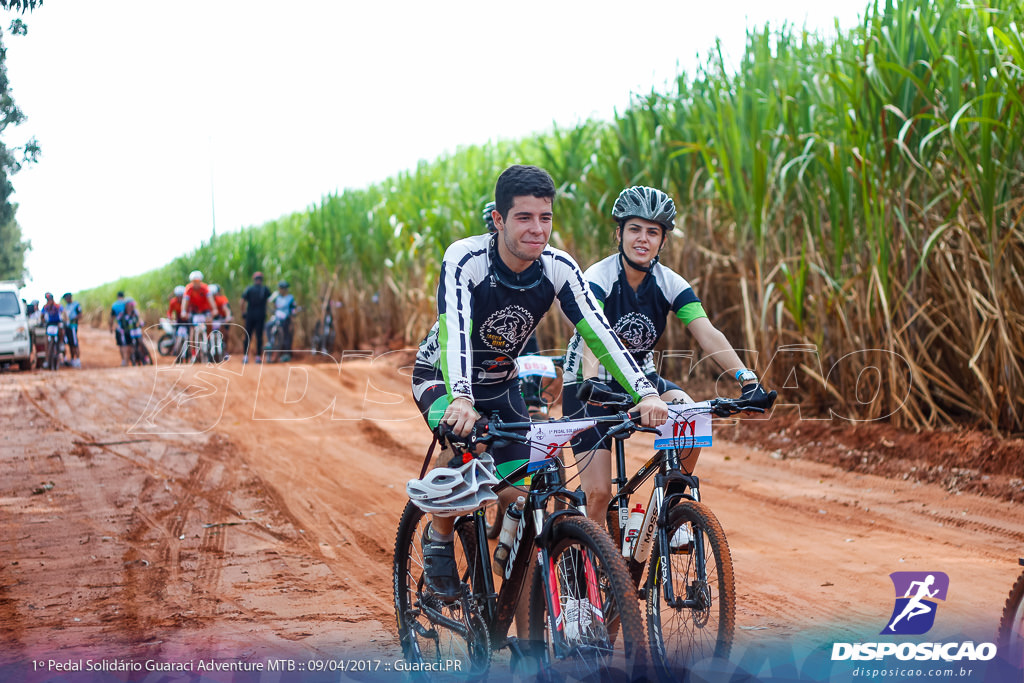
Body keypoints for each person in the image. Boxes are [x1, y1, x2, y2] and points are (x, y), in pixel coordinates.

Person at [407, 165, 669, 613]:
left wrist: (645, 391)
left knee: (523, 492)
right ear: (498, 220)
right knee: (464, 448)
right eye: (524, 217)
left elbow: (600, 333)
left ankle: (520, 598)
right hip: (444, 376)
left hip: (503, 384)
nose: (537, 229)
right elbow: (454, 332)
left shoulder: (557, 266)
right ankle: (439, 534)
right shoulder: (465, 259)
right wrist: (463, 399)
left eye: (545, 218)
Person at [561, 185, 777, 527]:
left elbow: (707, 333)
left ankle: (670, 509)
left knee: (691, 421)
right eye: (634, 229)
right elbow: (592, 337)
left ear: (663, 241)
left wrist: (746, 379)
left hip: (643, 379)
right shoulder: (597, 278)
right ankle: (595, 567)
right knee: (599, 494)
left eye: (653, 232)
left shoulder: (670, 282)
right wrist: (590, 383)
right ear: (619, 234)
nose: (642, 239)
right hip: (589, 384)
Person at [240, 271, 271, 364]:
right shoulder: (265, 289)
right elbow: (271, 300)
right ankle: (258, 357)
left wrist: (243, 312)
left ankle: (245, 356)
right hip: (260, 316)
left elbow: (242, 301)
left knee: (248, 336)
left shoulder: (249, 289)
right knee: (259, 336)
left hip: (250, 316)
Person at [268, 280, 297, 362]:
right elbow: (270, 302)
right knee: (268, 326)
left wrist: (292, 321)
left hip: (286, 319)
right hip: (277, 318)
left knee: (287, 335)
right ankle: (270, 343)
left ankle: (286, 354)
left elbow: (293, 310)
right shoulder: (276, 296)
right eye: (280, 288)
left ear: (286, 289)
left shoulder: (290, 298)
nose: (281, 290)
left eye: (282, 288)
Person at [115, 298, 145, 366]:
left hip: (135, 331)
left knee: (140, 342)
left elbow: (140, 319)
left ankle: (144, 356)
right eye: (130, 305)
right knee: (128, 347)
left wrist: (141, 323)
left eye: (132, 305)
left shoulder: (135, 312)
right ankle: (126, 361)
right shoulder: (122, 314)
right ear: (126, 305)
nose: (131, 307)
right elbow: (116, 322)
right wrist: (119, 328)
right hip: (126, 332)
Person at [40, 293, 64, 369]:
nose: (48, 301)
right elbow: (42, 316)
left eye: (49, 299)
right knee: (46, 341)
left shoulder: (57, 306)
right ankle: (47, 359)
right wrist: (43, 321)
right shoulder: (45, 307)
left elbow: (63, 313)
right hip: (49, 325)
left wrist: (64, 320)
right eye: (47, 300)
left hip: (57, 323)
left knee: (61, 332)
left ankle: (61, 344)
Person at [210, 284, 232, 359]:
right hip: (211, 319)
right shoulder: (205, 301)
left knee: (225, 332)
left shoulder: (221, 299)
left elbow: (226, 309)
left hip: (221, 318)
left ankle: (225, 350)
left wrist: (228, 316)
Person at [168, 285, 188, 360]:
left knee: (189, 334)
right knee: (177, 335)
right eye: (178, 296)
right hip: (179, 320)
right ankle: (176, 350)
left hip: (187, 320)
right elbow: (169, 312)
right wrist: (170, 318)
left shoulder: (186, 301)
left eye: (181, 296)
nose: (180, 298)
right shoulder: (173, 302)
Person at [62, 292, 82, 368]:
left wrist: (72, 319)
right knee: (70, 344)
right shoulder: (66, 307)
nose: (66, 299)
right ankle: (73, 359)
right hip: (67, 327)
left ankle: (77, 360)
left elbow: (80, 314)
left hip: (73, 327)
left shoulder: (76, 304)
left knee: (75, 343)